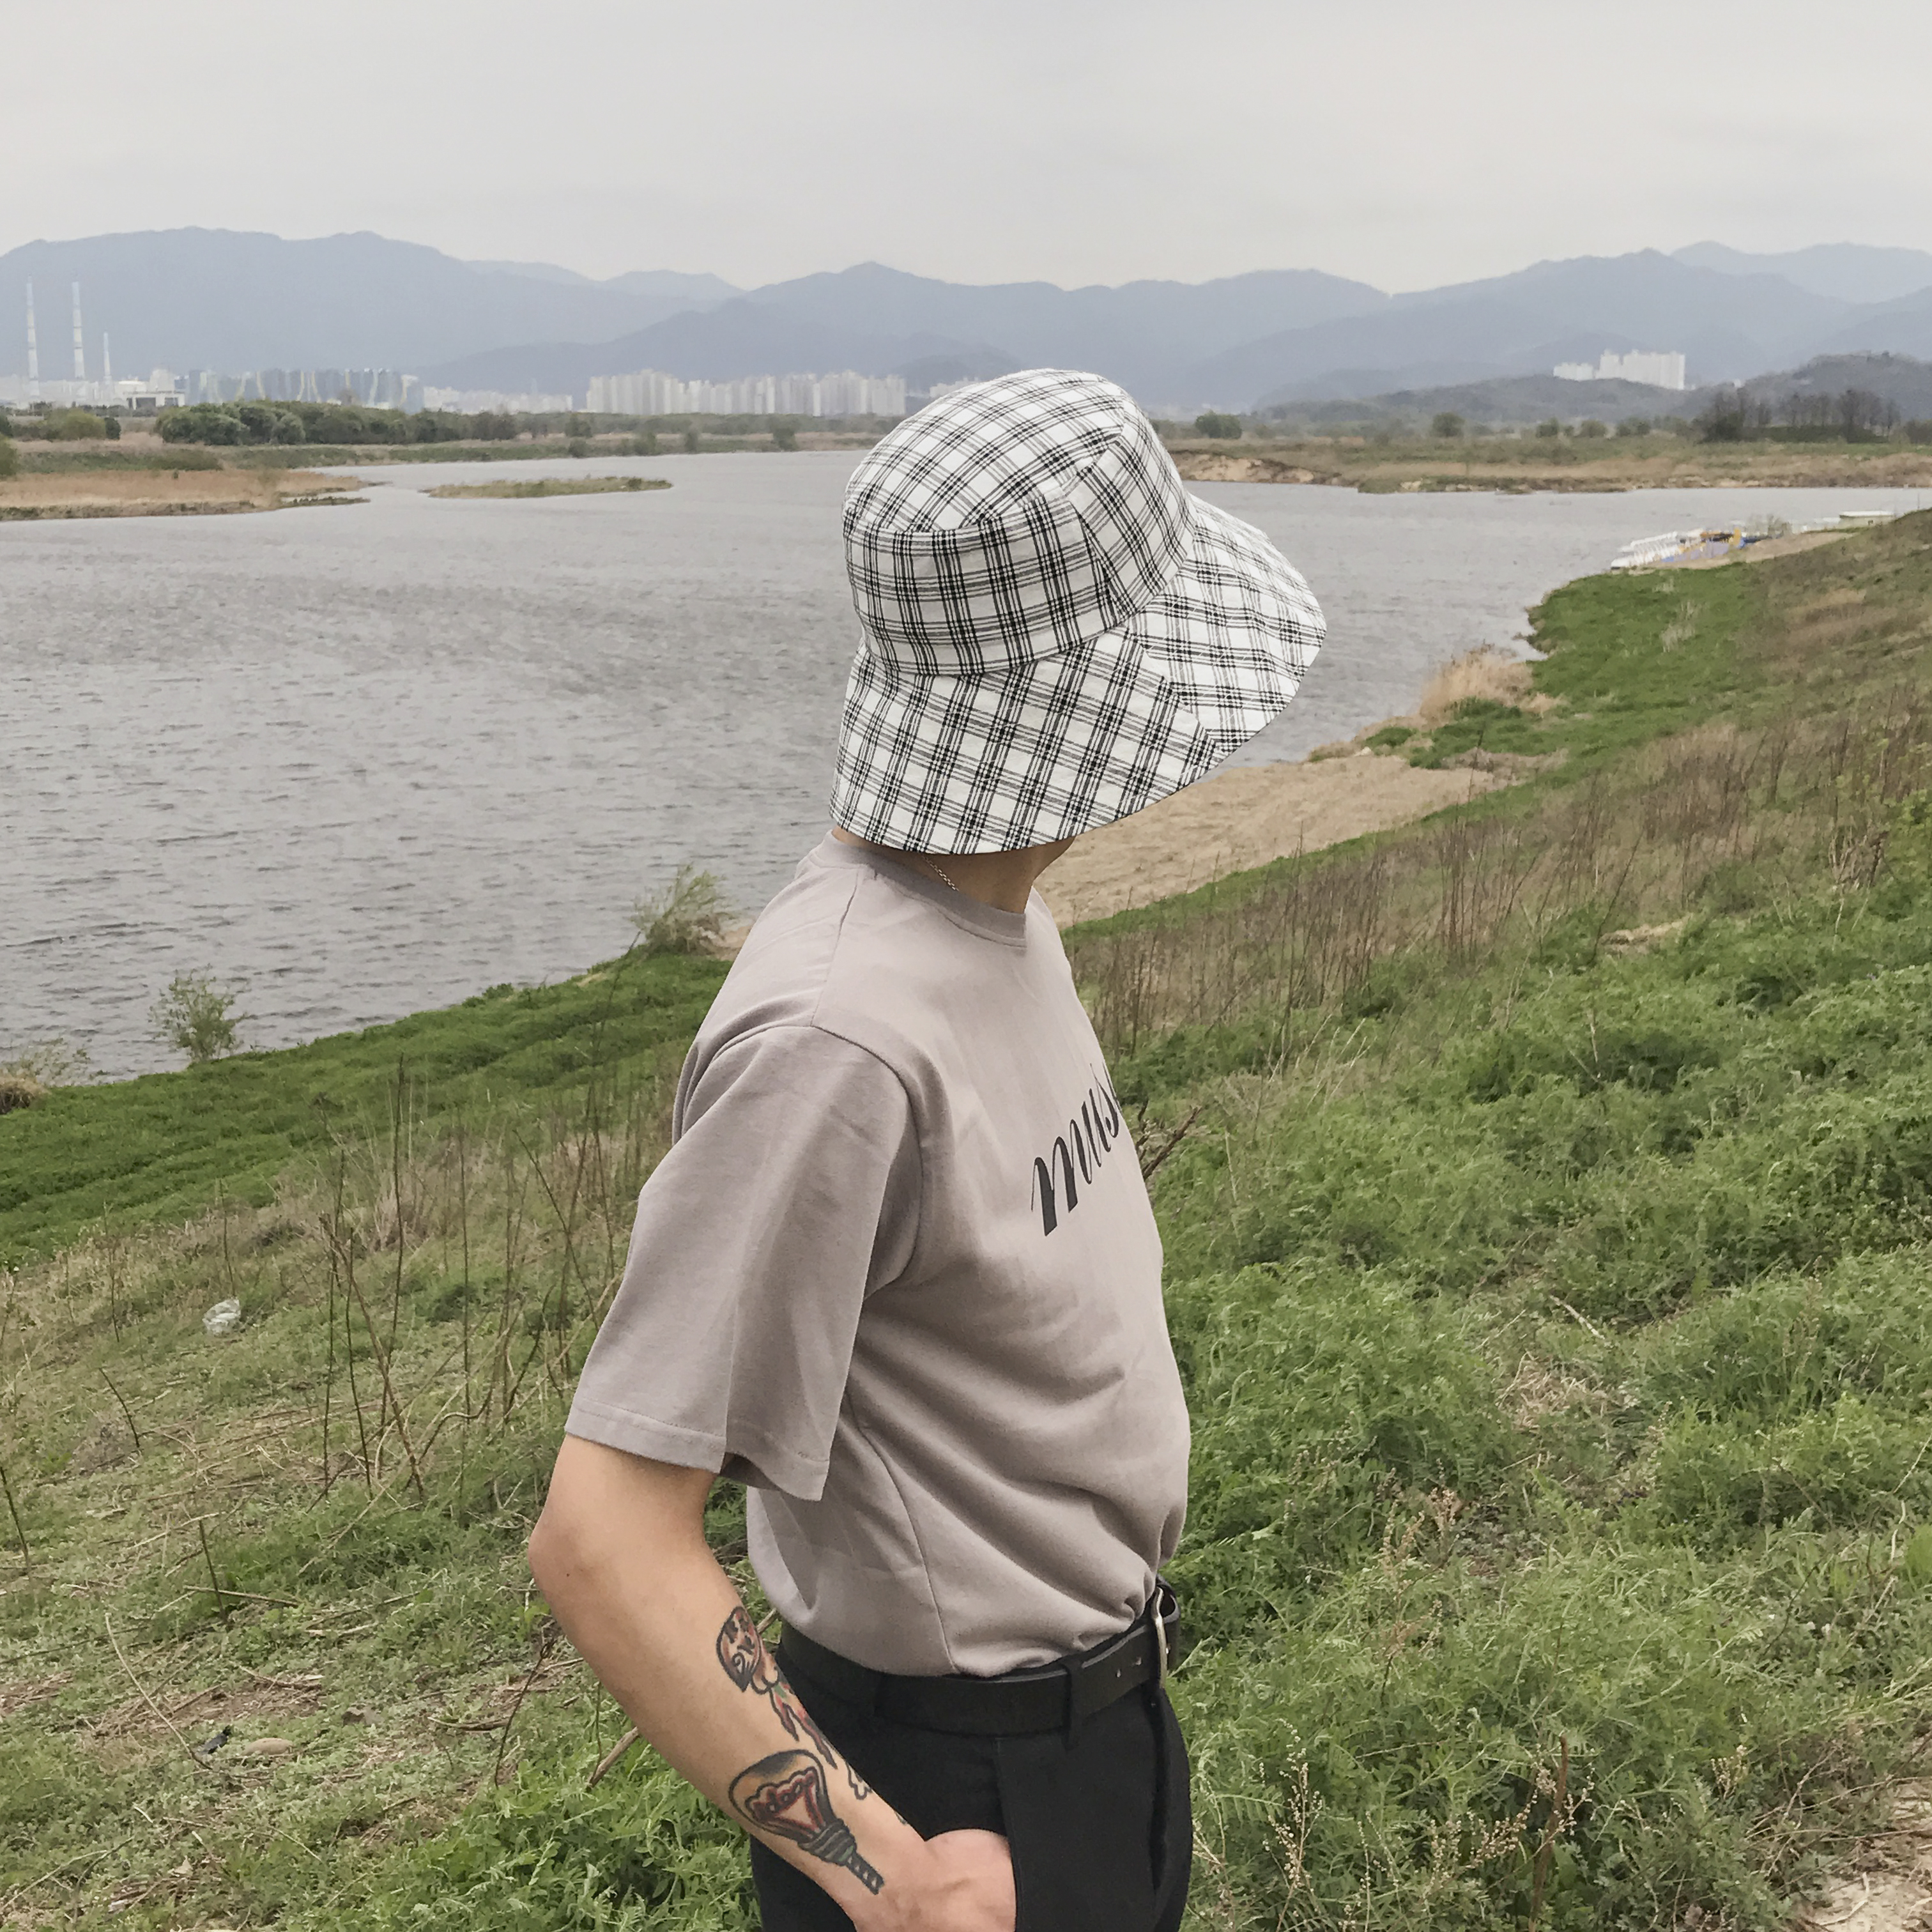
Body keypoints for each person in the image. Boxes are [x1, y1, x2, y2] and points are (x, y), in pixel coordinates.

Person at [528, 369, 1324, 1932]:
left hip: (1102, 1730)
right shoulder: (835, 1044)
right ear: (1086, 708)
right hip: (951, 1797)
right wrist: (890, 1881)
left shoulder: (991, 913)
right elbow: (602, 1534)